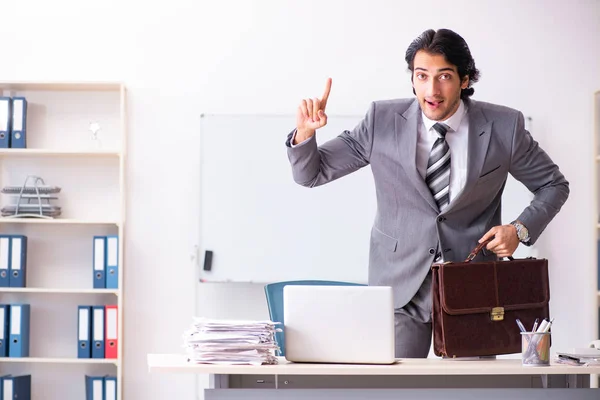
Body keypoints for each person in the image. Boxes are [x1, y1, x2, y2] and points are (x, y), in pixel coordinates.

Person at [284, 28, 569, 358]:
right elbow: (312, 174)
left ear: (465, 79)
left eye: (444, 76)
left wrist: (519, 230)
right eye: (422, 76)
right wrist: (304, 134)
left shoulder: (504, 127)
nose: (432, 90)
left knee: (473, 391)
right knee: (396, 390)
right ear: (413, 79)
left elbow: (553, 184)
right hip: (400, 289)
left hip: (473, 286)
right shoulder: (381, 120)